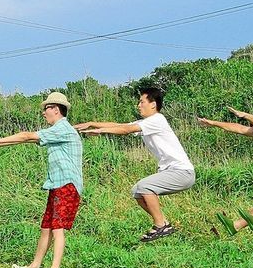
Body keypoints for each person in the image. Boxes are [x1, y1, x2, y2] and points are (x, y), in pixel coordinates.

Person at [0, 91, 83, 268]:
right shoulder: (59, 130)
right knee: (46, 228)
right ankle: (34, 267)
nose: (44, 113)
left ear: (57, 110)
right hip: (57, 184)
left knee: (58, 228)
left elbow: (27, 136)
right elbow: (29, 138)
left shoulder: (63, 129)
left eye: (46, 109)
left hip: (67, 185)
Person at [77, 85, 195, 242]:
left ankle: (160, 225)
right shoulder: (148, 122)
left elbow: (127, 130)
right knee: (137, 191)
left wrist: (100, 131)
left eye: (142, 102)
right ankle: (163, 223)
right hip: (172, 172)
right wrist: (92, 123)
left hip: (182, 173)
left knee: (145, 186)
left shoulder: (157, 120)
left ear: (153, 104)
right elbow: (120, 125)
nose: (139, 105)